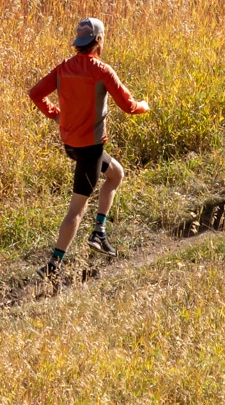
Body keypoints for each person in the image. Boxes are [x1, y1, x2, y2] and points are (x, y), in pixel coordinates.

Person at [29, 16, 151, 275]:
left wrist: (55, 113)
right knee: (76, 209)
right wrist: (145, 106)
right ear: (98, 41)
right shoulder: (102, 71)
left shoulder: (63, 68)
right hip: (90, 149)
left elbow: (35, 93)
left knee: (116, 174)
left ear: (79, 42)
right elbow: (129, 106)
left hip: (71, 145)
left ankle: (99, 232)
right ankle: (54, 264)